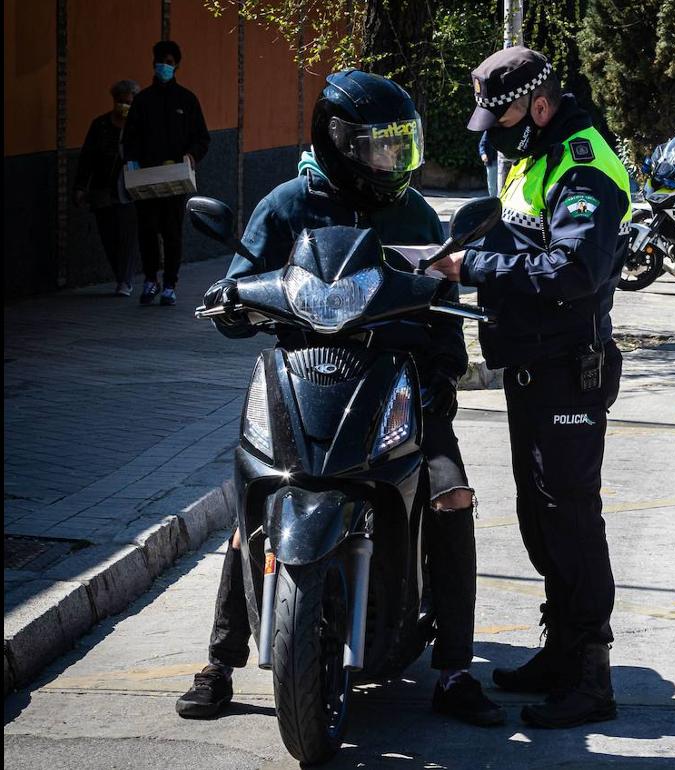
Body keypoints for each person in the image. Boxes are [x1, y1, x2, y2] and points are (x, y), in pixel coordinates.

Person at [174, 71, 503, 728]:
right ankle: (219, 661)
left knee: (451, 493)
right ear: (339, 144)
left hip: (397, 385)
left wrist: (445, 368)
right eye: (379, 146)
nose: (393, 159)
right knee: (255, 497)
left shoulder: (411, 214)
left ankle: (457, 667)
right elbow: (242, 280)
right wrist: (232, 304)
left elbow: (441, 299)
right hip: (305, 378)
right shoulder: (288, 205)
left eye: (399, 145)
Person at [429, 46, 629, 729]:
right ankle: (561, 652)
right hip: (531, 367)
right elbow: (523, 239)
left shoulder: (581, 164)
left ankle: (592, 678)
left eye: (504, 113)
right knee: (541, 520)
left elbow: (571, 270)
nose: (495, 128)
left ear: (539, 104)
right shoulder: (535, 156)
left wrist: (471, 267)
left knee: (572, 521)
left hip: (567, 370)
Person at [122, 40, 210, 306]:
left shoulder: (186, 100)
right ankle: (150, 280)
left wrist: (191, 156)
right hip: (146, 177)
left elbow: (202, 137)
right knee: (147, 230)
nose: (164, 67)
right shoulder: (142, 101)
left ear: (177, 66)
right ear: (154, 64)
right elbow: (131, 137)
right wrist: (131, 160)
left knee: (172, 232)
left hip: (175, 177)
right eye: (160, 62)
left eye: (169, 63)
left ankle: (170, 283)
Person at [74, 79, 140, 296]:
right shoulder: (100, 125)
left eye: (129, 102)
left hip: (130, 189)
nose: (125, 106)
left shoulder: (139, 126)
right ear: (114, 101)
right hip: (103, 188)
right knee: (109, 235)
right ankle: (120, 275)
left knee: (127, 235)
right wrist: (81, 186)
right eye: (121, 102)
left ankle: (125, 280)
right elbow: (87, 158)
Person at [479, 132, 499, 197]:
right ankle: (493, 200)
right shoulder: (488, 132)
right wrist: (483, 154)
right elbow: (482, 145)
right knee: (492, 184)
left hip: (503, 160)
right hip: (491, 161)